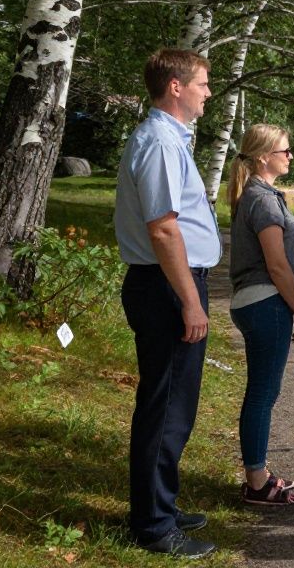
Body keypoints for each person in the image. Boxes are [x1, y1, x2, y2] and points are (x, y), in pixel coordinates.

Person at [115, 48, 220, 558]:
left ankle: (159, 504)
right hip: (166, 285)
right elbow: (163, 227)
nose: (207, 92)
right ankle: (153, 525)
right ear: (175, 87)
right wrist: (190, 301)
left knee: (172, 403)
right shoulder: (159, 142)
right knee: (166, 408)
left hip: (168, 283)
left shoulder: (168, 140)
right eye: (201, 83)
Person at [227, 124, 294, 506]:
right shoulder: (262, 199)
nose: (290, 156)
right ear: (264, 157)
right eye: (285, 150)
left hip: (255, 302)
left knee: (262, 391)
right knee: (262, 393)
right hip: (266, 302)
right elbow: (277, 265)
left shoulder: (257, 195)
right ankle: (257, 481)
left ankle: (257, 472)